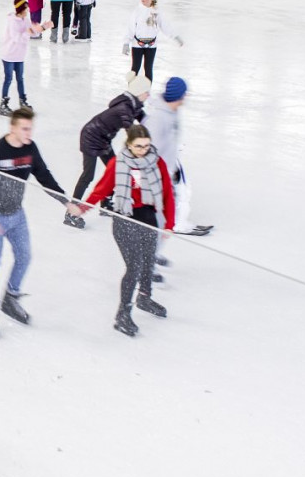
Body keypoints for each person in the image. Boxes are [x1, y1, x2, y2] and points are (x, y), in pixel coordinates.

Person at [0, 106, 84, 337]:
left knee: (25, 256)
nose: (29, 133)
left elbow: (43, 176)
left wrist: (65, 202)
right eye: (24, 129)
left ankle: (10, 299)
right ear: (12, 127)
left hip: (16, 214)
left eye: (31, 128)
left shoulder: (30, 149)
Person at [83, 123, 175, 338]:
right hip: (124, 219)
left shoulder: (156, 162)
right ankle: (122, 314)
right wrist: (82, 207)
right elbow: (101, 189)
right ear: (129, 144)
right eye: (138, 146)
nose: (143, 150)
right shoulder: (119, 163)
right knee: (134, 266)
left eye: (146, 146)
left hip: (147, 218)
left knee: (148, 260)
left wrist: (169, 224)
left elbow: (167, 193)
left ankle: (144, 297)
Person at [68, 74, 152, 212]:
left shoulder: (133, 105)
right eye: (146, 92)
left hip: (103, 139)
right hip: (91, 137)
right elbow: (132, 133)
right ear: (138, 92)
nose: (149, 95)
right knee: (88, 176)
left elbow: (145, 121)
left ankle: (106, 204)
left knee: (115, 171)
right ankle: (71, 212)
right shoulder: (125, 108)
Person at [142, 76, 210, 236]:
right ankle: (174, 227)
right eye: (184, 94)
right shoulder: (158, 118)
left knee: (183, 193)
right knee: (168, 205)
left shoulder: (172, 111)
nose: (186, 97)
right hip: (159, 171)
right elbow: (151, 149)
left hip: (171, 164)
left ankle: (178, 224)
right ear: (178, 95)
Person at [0, 0, 51, 116]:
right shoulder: (12, 22)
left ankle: (23, 102)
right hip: (9, 56)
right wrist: (29, 31)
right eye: (26, 9)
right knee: (8, 79)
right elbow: (17, 38)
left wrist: (43, 27)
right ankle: (3, 105)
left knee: (20, 79)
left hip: (19, 56)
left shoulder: (25, 20)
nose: (27, 11)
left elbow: (33, 32)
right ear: (21, 10)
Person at [124, 0, 182, 79]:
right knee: (135, 68)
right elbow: (130, 28)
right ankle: (132, 90)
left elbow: (165, 26)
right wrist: (126, 43)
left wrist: (175, 37)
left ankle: (147, 91)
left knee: (148, 69)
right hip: (137, 46)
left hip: (151, 46)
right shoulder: (137, 11)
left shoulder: (156, 11)